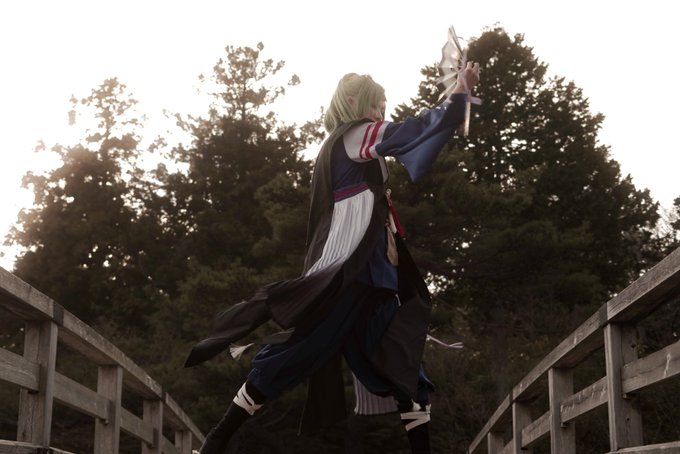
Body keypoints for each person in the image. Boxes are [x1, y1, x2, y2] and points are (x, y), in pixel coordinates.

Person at [185, 61, 481, 454]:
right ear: (355, 106)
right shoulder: (355, 135)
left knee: (402, 362)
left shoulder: (354, 144)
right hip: (349, 276)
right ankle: (215, 442)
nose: (382, 113)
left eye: (384, 106)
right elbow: (411, 131)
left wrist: (455, 100)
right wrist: (458, 93)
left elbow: (413, 138)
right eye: (376, 105)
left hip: (374, 278)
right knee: (294, 353)